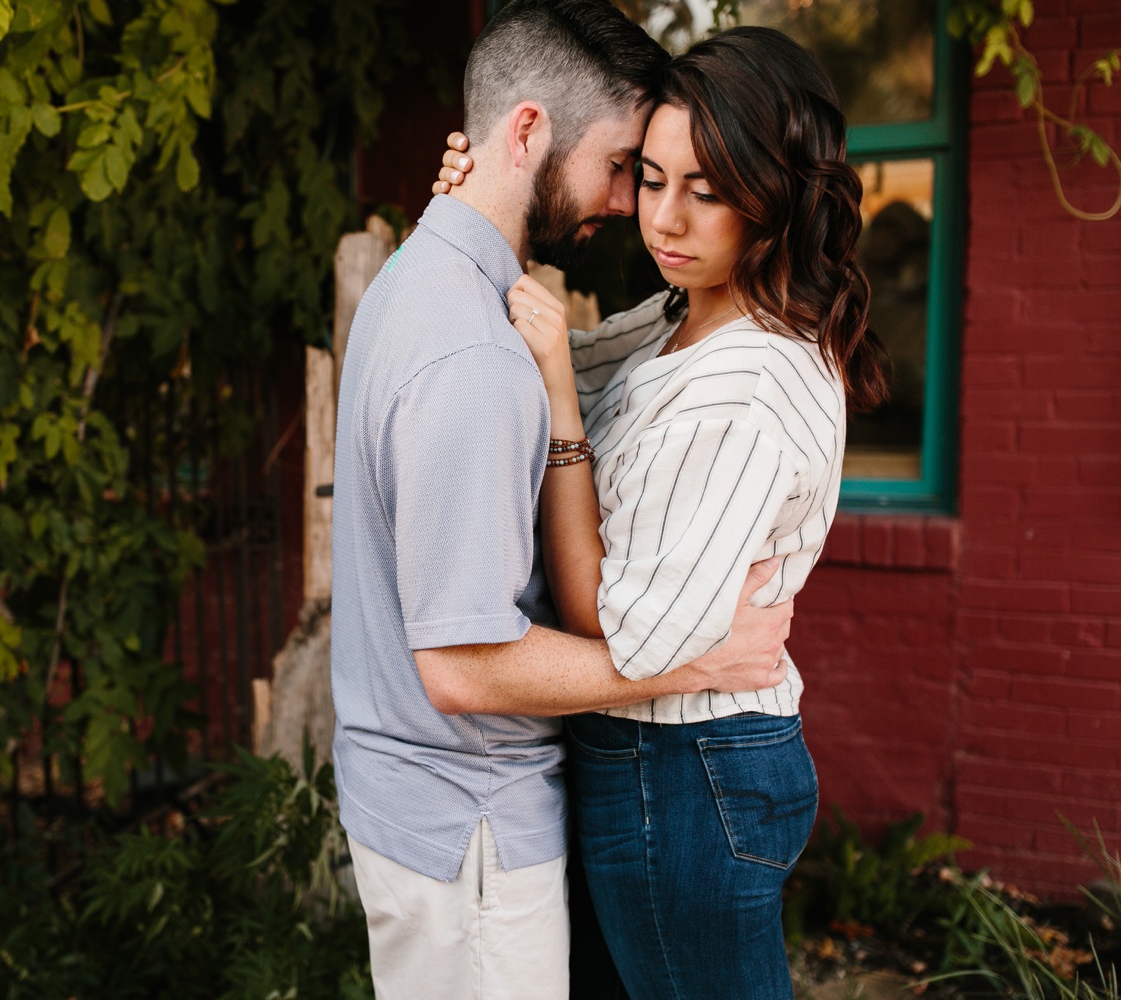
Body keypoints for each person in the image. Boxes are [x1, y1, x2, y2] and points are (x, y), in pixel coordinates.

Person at [330, 3, 797, 999]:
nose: (633, 203)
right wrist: (693, 664)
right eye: (626, 165)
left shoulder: (417, 278)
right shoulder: (469, 354)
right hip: (474, 839)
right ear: (531, 129)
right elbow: (462, 665)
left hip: (425, 814)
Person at [434, 26, 889, 1000]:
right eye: (649, 177)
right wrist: (478, 210)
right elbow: (527, 345)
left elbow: (615, 624)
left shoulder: (748, 387)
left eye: (707, 191)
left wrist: (560, 397)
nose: (664, 219)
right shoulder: (688, 315)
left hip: (686, 770)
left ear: (776, 195)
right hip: (656, 759)